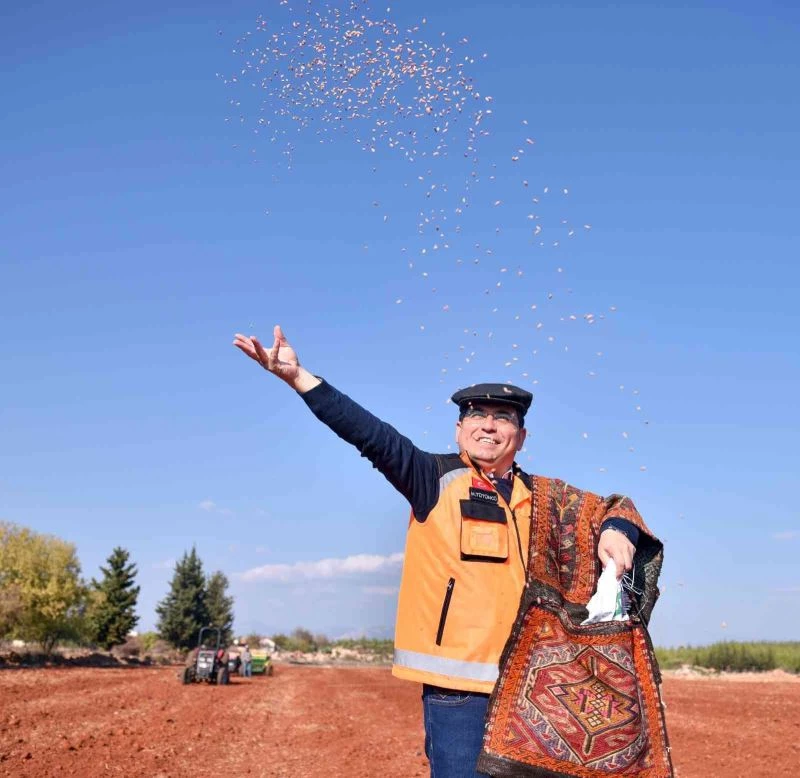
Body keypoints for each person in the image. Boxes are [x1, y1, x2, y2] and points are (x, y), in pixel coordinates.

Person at [233, 325, 647, 778]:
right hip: (459, 693)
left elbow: (612, 506)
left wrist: (616, 529)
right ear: (459, 428)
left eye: (504, 417)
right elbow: (368, 433)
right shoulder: (432, 477)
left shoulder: (547, 499)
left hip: (535, 691)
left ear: (521, 437)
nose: (489, 425)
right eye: (478, 414)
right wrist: (299, 378)